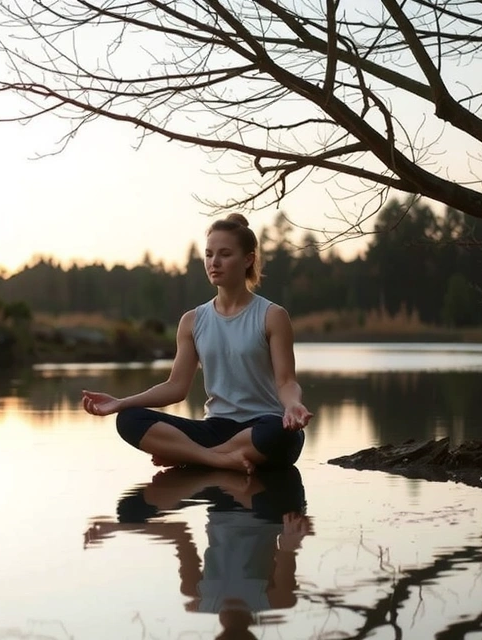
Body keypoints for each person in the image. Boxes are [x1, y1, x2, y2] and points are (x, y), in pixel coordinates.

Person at [81, 213, 312, 473]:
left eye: (225, 254)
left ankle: (192, 457)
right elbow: (176, 387)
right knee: (130, 420)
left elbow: (286, 382)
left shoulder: (272, 315)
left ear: (248, 259)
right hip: (216, 428)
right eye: (209, 254)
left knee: (280, 434)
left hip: (263, 427)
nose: (214, 262)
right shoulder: (193, 320)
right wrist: (121, 402)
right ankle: (219, 459)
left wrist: (293, 404)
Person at [83, 466, 313, 637]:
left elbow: (178, 533)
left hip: (219, 497)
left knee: (129, 511)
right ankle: (225, 459)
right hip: (268, 505)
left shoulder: (198, 597)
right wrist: (292, 536)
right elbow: (288, 544)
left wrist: (120, 526)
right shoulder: (277, 600)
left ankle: (217, 460)